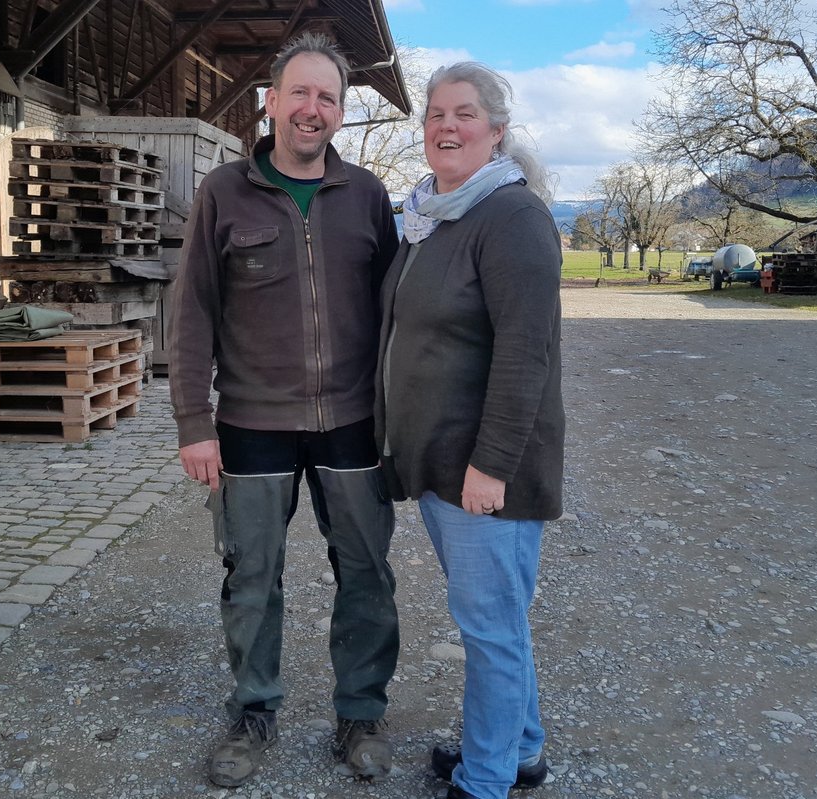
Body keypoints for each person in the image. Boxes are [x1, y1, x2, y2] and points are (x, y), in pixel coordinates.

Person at [168, 32, 401, 789]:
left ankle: (360, 711)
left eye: (327, 96)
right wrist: (193, 424)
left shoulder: (366, 196)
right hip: (251, 422)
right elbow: (192, 310)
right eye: (299, 93)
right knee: (250, 573)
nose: (312, 108)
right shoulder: (224, 194)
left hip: (351, 420)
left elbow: (396, 311)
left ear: (340, 111)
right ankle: (254, 710)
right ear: (270, 102)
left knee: (365, 571)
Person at [374, 62, 565, 799]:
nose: (446, 126)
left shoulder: (511, 216)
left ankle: (486, 781)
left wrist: (490, 465)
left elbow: (527, 352)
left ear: (497, 131)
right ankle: (520, 749)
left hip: (485, 471)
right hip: (442, 461)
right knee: (498, 620)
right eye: (434, 114)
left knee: (489, 628)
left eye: (463, 114)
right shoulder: (430, 215)